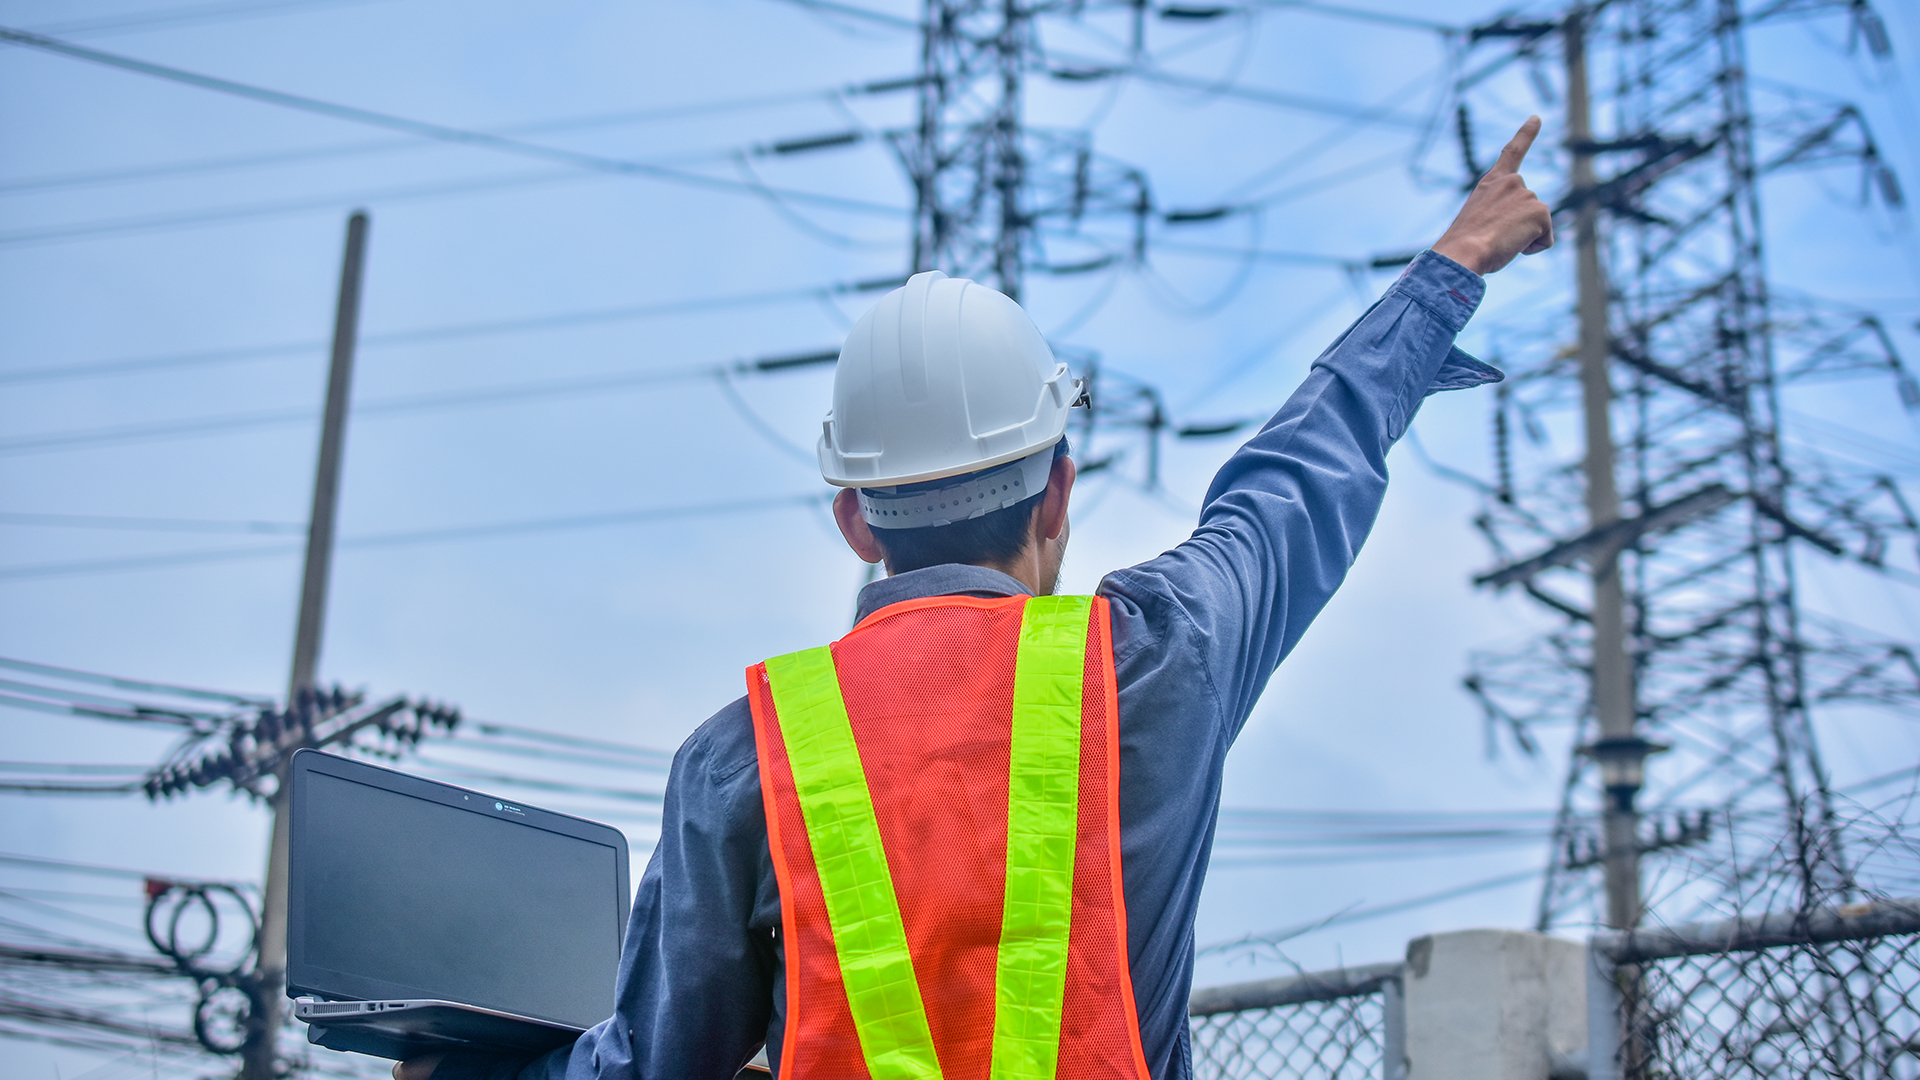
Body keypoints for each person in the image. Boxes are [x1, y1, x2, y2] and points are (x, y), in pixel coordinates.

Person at [400, 116, 1553, 1080]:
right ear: (1060, 487)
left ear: (853, 518)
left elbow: (656, 1061)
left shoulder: (743, 756)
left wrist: (474, 1064)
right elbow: (1298, 477)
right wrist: (1449, 267)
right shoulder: (1156, 660)